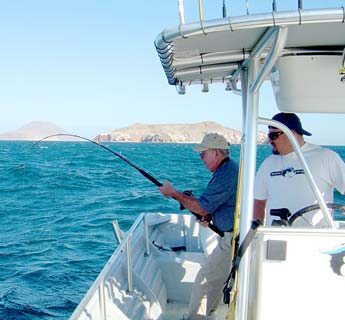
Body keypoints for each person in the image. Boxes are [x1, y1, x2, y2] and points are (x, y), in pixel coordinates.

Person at [158, 133, 238, 319]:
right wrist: (210, 215)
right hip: (231, 235)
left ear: (217, 153)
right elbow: (219, 204)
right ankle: (207, 313)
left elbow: (201, 206)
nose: (201, 158)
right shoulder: (228, 169)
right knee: (214, 280)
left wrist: (174, 194)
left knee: (205, 280)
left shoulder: (226, 174)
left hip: (232, 239)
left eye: (204, 154)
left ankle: (196, 317)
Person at [254, 112, 345, 226]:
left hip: (317, 239)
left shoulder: (326, 158)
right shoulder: (268, 164)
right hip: (274, 237)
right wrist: (257, 233)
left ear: (291, 133)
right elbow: (258, 202)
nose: (270, 141)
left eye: (273, 136)